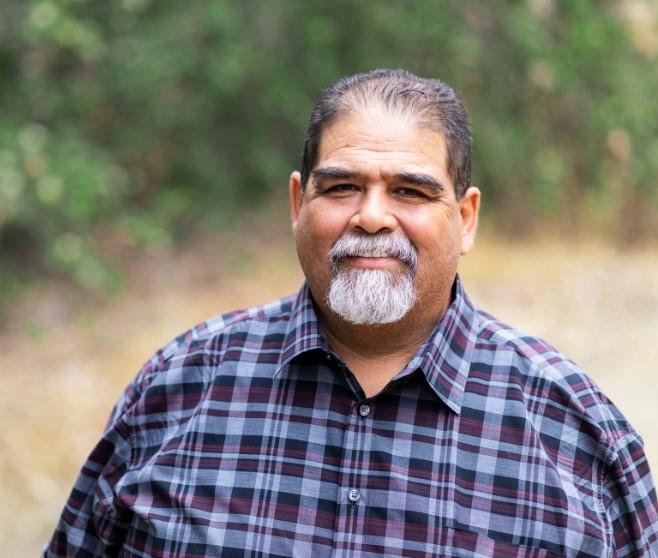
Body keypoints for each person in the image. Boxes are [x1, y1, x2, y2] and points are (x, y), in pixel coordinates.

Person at [44, 69, 658, 557]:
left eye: (410, 191)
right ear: (297, 202)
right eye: (341, 187)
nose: (370, 216)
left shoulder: (576, 436)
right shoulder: (179, 390)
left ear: (465, 219)